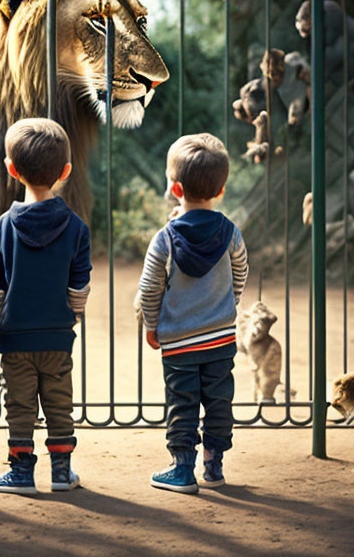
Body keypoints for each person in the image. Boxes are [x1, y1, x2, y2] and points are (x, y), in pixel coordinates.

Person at [0, 118, 91, 495]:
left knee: (20, 404)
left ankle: (21, 472)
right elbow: (80, 282)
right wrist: (73, 314)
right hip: (57, 335)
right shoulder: (77, 228)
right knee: (60, 402)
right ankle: (61, 471)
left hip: (16, 336)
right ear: (65, 172)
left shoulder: (2, 227)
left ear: (11, 169)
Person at [137, 133, 248, 494]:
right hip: (220, 337)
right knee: (219, 399)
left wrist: (152, 324)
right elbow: (240, 272)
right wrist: (230, 303)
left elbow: (150, 288)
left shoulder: (165, 239)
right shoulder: (231, 233)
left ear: (175, 188)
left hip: (180, 342)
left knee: (181, 402)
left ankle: (182, 468)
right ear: (222, 189)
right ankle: (214, 466)